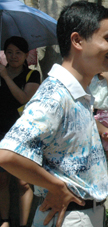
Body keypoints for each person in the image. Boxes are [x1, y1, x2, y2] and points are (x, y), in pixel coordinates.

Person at [0, 1, 108, 227]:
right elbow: (7, 154)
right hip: (69, 218)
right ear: (77, 41)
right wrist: (57, 187)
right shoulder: (55, 94)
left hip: (86, 215)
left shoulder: (77, 92)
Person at [0, 37, 40, 227]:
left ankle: (24, 224)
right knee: (2, 180)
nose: (13, 56)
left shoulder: (32, 76)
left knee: (24, 182)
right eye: (9, 52)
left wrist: (6, 77)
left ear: (26, 55)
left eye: (18, 52)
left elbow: (24, 98)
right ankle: (5, 220)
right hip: (0, 131)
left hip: (22, 134)